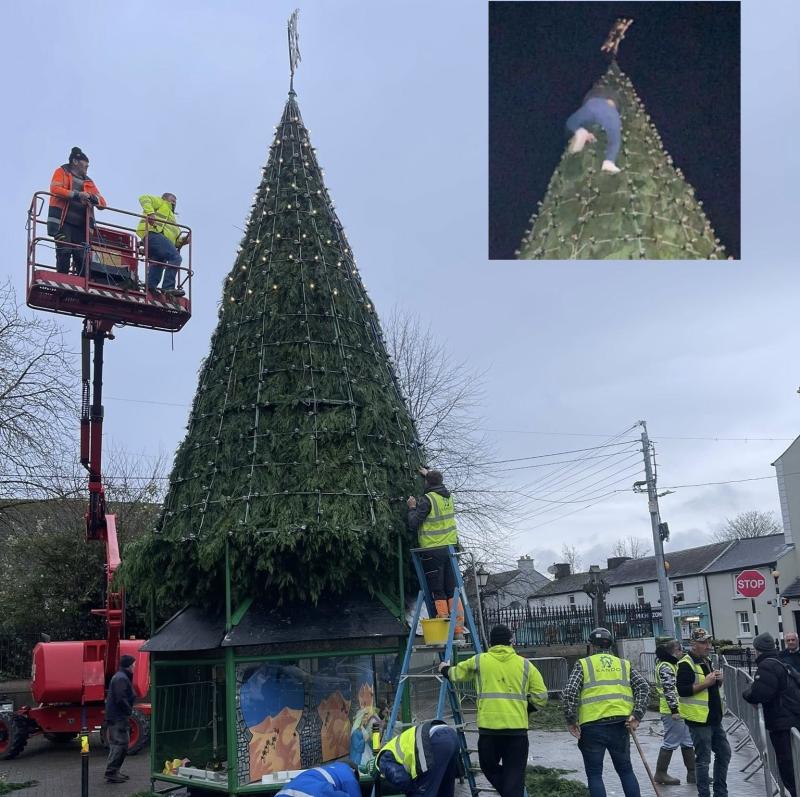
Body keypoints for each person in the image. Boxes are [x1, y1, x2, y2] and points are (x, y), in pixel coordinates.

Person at [440, 624, 548, 797]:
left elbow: (456, 674)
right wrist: (526, 709)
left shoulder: (479, 661)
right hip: (517, 731)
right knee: (515, 775)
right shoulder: (525, 665)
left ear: (490, 643)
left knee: (488, 767)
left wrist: (444, 669)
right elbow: (541, 696)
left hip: (489, 731)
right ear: (511, 642)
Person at [562, 627, 649, 797]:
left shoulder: (584, 664)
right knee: (625, 770)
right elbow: (643, 687)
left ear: (591, 646)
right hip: (620, 725)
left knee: (594, 774)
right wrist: (637, 715)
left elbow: (570, 692)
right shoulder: (623, 664)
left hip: (592, 726)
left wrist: (571, 720)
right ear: (610, 645)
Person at [407, 467, 462, 632]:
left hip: (433, 550)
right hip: (450, 549)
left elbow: (413, 523)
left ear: (427, 482)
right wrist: (429, 475)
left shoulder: (427, 499)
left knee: (437, 590)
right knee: (451, 590)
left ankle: (444, 627)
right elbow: (439, 485)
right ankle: (458, 629)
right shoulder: (448, 497)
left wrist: (412, 508)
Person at [743, 632, 799, 797]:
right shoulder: (779, 662)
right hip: (791, 719)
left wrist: (747, 693)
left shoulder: (767, 666)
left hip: (782, 723)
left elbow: (760, 694)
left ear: (757, 649)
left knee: (788, 767)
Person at [676, 629, 730, 797]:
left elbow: (711, 687)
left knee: (724, 753)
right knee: (703, 760)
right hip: (699, 720)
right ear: (693, 644)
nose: (708, 646)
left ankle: (720, 792)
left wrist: (718, 681)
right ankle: (704, 794)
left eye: (709, 642)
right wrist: (706, 683)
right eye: (703, 643)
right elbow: (683, 690)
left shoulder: (706, 660)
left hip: (714, 718)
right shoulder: (686, 664)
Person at [48, 147, 106, 275]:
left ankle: (81, 281)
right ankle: (62, 278)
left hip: (81, 226)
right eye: (85, 164)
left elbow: (103, 203)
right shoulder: (61, 172)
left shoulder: (89, 181)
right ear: (75, 161)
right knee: (64, 251)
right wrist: (77, 195)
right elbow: (55, 189)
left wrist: (91, 197)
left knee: (81, 256)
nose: (87, 167)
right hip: (62, 223)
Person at [361, 720, 459, 797]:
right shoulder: (391, 749)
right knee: (444, 790)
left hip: (435, 740)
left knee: (423, 791)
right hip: (450, 734)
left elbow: (401, 779)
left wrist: (414, 791)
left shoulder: (382, 760)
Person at [653, 638, 695, 785]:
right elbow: (669, 690)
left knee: (687, 741)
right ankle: (660, 773)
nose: (682, 653)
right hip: (672, 712)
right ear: (675, 650)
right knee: (671, 741)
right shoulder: (666, 666)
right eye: (681, 650)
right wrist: (674, 710)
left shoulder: (669, 664)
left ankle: (693, 773)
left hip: (678, 710)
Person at [136, 193, 190, 296]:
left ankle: (150, 287)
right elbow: (144, 198)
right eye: (172, 200)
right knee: (175, 257)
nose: (174, 203)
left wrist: (184, 241)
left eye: (175, 202)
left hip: (159, 241)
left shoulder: (173, 220)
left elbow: (173, 242)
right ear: (165, 199)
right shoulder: (161, 203)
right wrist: (150, 213)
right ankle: (168, 288)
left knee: (159, 262)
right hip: (153, 234)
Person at [565, 86, 623, 174]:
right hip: (610, 110)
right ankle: (609, 161)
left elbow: (586, 100)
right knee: (615, 141)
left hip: (592, 104)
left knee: (572, 122)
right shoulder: (614, 103)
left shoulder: (597, 91)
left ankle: (579, 131)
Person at [104, 654, 136, 784]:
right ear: (128, 665)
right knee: (120, 744)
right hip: (118, 717)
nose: (135, 666)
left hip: (116, 716)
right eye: (133, 664)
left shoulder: (120, 676)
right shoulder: (121, 678)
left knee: (118, 744)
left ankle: (114, 771)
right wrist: (128, 710)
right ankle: (111, 772)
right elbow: (120, 698)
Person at [275, 761, 361, 797]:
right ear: (353, 771)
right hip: (313, 792)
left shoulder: (328, 769)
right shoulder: (349, 776)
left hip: (283, 793)